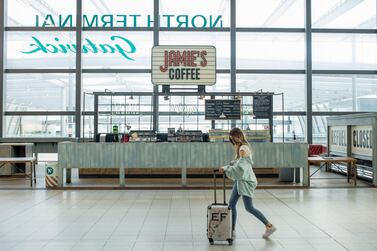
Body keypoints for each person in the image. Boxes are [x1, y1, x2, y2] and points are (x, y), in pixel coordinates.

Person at [219, 127, 276, 239]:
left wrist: (226, 168)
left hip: (245, 181)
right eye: (232, 139)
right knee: (231, 204)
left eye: (234, 138)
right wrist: (232, 163)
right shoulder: (243, 147)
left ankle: (269, 225)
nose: (234, 141)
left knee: (249, 207)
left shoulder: (243, 148)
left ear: (239, 136)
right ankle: (233, 229)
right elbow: (240, 164)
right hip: (241, 180)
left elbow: (240, 169)